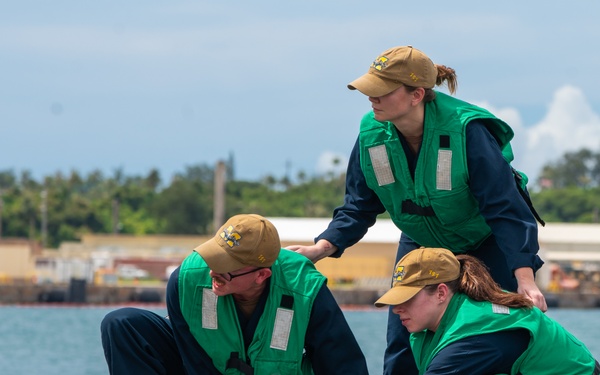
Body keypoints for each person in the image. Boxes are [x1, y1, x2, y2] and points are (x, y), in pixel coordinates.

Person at [286, 45, 547, 374]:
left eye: (382, 90)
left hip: (486, 244)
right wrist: (321, 248)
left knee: (495, 338)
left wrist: (525, 280)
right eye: (369, 88)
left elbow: (506, 209)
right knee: (403, 338)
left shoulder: (467, 131)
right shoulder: (371, 135)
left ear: (416, 95)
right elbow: (359, 206)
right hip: (421, 242)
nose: (371, 97)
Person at [101, 214, 368, 375]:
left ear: (262, 275)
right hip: (208, 369)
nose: (212, 273)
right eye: (212, 260)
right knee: (122, 324)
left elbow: (343, 364)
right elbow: (193, 359)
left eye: (226, 269)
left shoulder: (306, 288)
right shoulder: (186, 279)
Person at [374, 247, 600, 375]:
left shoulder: (471, 337)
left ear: (441, 293)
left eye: (407, 299)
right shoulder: (453, 316)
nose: (396, 310)